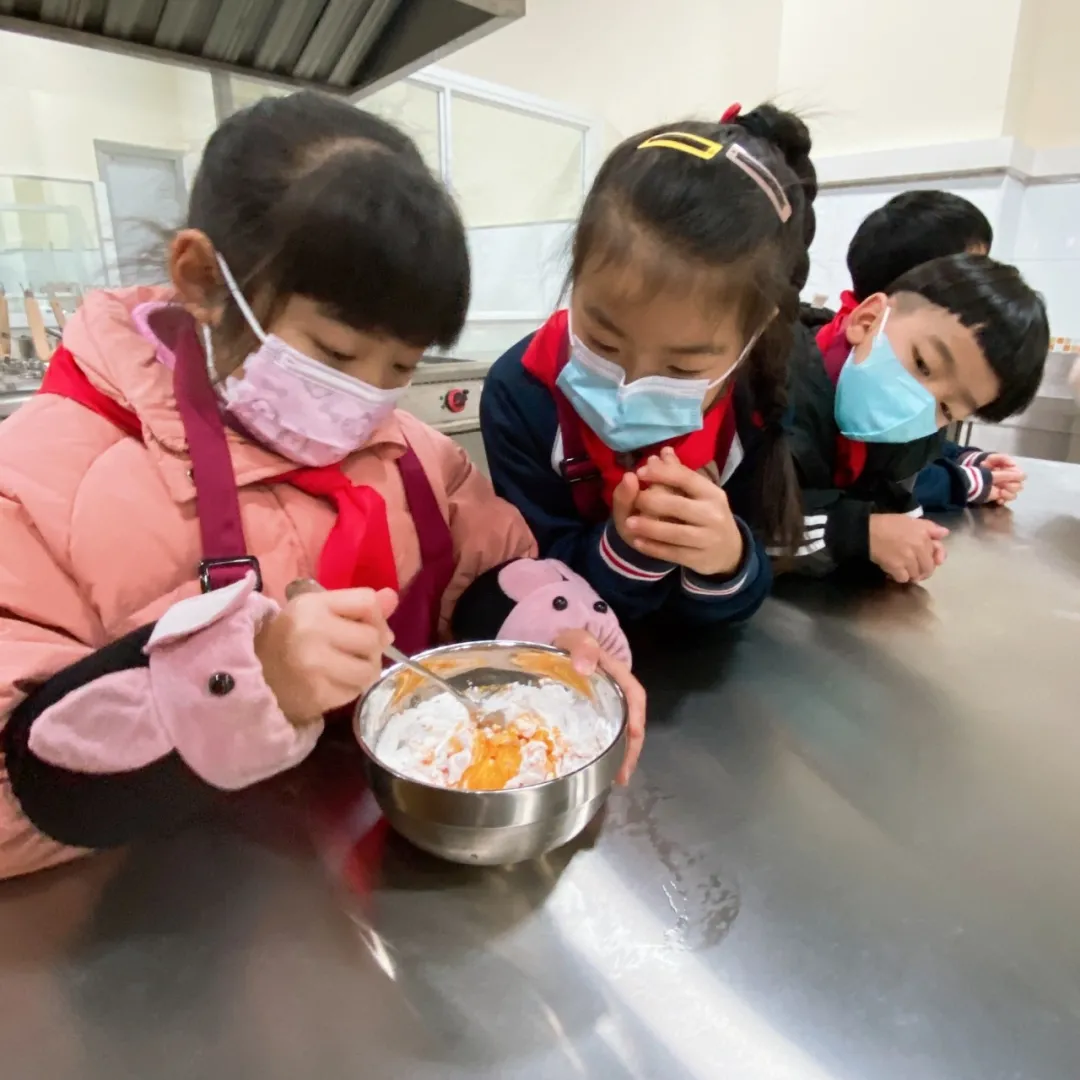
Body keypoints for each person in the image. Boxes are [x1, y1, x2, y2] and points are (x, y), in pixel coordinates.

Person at [0, 92, 644, 882]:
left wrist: (550, 651)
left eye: (399, 369)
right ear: (202, 279)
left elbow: (483, 573)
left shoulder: (411, 454)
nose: (365, 401)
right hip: (176, 920)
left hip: (362, 875)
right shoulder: (44, 485)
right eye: (336, 356)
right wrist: (250, 681)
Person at [480, 104, 817, 625]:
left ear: (752, 337)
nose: (628, 387)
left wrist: (725, 560)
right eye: (602, 342)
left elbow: (762, 570)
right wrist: (625, 548)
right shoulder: (520, 391)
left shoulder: (759, 397)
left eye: (682, 370)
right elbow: (526, 574)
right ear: (576, 277)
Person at [787, 253, 1049, 583]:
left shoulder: (911, 439)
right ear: (868, 319)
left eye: (948, 409)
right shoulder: (774, 385)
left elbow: (894, 499)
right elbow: (744, 516)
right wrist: (857, 533)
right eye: (923, 364)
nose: (921, 403)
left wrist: (912, 540)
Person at [808, 190, 1025, 512]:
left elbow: (902, 436)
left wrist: (959, 456)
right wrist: (965, 482)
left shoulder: (874, 350)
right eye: (966, 275)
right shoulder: (828, 368)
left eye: (949, 409)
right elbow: (882, 474)